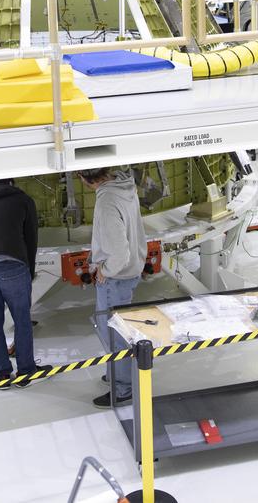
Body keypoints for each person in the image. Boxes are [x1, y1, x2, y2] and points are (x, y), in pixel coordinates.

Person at [0, 179, 51, 387]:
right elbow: (31, 239)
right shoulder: (23, 200)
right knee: (22, 321)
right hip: (13, 265)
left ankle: (2, 374)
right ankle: (26, 371)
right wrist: (29, 271)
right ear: (13, 181)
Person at [80, 166, 148, 407]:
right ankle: (114, 374)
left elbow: (119, 253)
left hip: (115, 278)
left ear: (85, 179)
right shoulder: (125, 186)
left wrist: (104, 270)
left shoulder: (107, 202)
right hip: (130, 272)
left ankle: (123, 389)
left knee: (113, 334)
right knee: (115, 329)